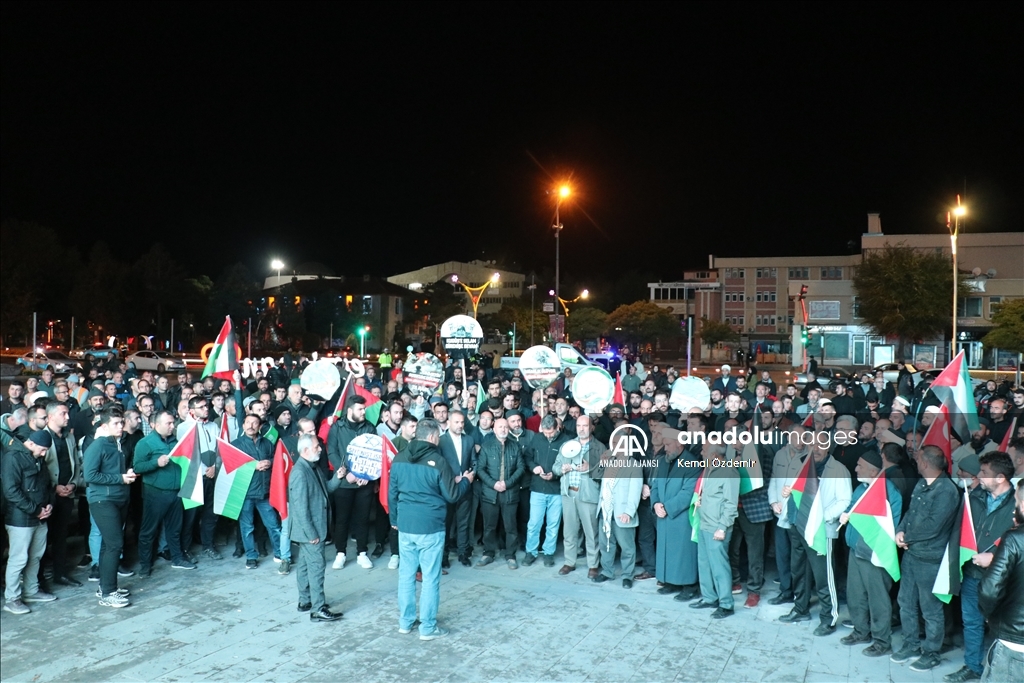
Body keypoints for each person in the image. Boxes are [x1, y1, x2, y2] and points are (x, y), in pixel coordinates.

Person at [389, 418, 472, 640]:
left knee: (406, 576)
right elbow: (452, 495)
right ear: (434, 437)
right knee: (430, 577)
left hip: (406, 525)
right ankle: (427, 627)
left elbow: (392, 493)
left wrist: (394, 520)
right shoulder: (438, 461)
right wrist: (466, 481)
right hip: (431, 526)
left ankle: (405, 622)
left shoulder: (398, 458)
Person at [945, 451, 1017, 682]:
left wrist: (995, 558)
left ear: (1000, 477)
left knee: (1000, 626)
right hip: (972, 572)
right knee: (972, 622)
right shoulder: (973, 497)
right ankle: (973, 666)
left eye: (984, 473)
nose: (979, 476)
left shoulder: (1019, 503)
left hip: (1004, 578)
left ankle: (999, 670)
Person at [891, 445, 962, 672]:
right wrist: (900, 531)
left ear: (925, 463)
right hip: (912, 553)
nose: (916, 461)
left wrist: (907, 536)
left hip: (930, 557)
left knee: (930, 609)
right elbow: (910, 512)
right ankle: (911, 644)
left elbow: (934, 526)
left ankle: (931, 652)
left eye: (918, 458)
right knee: (906, 602)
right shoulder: (922, 484)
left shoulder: (946, 491)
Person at [838, 449, 902, 657]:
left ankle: (882, 642)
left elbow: (889, 525)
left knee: (878, 600)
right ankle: (860, 632)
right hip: (856, 550)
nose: (855, 468)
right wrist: (845, 514)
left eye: (860, 466)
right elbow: (851, 507)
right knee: (855, 595)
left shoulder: (889, 492)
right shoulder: (861, 488)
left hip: (875, 555)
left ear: (874, 471)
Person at [83, 407, 136, 608]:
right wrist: (120, 478)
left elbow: (113, 470)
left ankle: (106, 586)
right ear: (104, 426)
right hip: (102, 500)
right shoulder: (98, 446)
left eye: (121, 422)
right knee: (114, 544)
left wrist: (126, 473)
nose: (120, 426)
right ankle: (108, 592)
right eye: (116, 423)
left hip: (119, 498)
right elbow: (90, 476)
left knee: (108, 545)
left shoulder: (118, 444)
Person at [289, 433, 345, 622]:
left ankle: (305, 601)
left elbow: (327, 489)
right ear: (305, 450)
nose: (320, 449)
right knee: (317, 566)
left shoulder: (311, 467)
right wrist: (312, 533)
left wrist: (338, 477)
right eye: (316, 447)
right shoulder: (300, 473)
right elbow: (300, 507)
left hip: (311, 529)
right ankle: (318, 608)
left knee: (305, 565)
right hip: (310, 530)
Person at [134, 410, 195, 575]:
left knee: (175, 528)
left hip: (176, 491)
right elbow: (138, 467)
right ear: (156, 425)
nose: (172, 426)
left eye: (172, 423)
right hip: (155, 493)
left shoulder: (177, 441)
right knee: (149, 530)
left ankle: (177, 558)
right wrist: (156, 463)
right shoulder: (145, 443)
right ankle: (145, 565)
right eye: (168, 423)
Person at [2, 430, 57, 614]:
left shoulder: (37, 457)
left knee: (36, 556)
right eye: (42, 450)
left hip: (40, 516)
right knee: (18, 559)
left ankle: (31, 590)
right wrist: (36, 509)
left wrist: (48, 504)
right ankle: (12, 598)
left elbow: (47, 485)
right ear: (31, 443)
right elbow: (11, 491)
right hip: (20, 519)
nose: (44, 455)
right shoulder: (13, 458)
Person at [977, 481, 1024, 683]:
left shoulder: (1015, 539)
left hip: (1014, 641)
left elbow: (989, 590)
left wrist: (990, 614)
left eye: (1017, 502)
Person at [689, 442, 740, 618]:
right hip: (704, 523)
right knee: (704, 563)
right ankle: (709, 597)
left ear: (714, 455)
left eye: (704, 450)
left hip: (717, 527)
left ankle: (726, 604)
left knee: (719, 567)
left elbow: (730, 504)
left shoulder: (729, 472)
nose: (701, 452)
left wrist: (722, 527)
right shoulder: (710, 469)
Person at [326, 395, 377, 570]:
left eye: (364, 409)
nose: (364, 412)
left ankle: (362, 553)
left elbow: (375, 453)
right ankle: (341, 553)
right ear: (350, 411)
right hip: (344, 482)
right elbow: (331, 451)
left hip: (365, 483)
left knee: (362, 519)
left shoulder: (370, 427)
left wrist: (368, 474)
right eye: (360, 409)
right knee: (342, 519)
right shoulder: (337, 427)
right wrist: (346, 472)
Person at [553, 415, 607, 577]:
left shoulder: (600, 447)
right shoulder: (567, 445)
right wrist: (561, 470)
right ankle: (569, 562)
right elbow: (555, 467)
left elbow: (606, 471)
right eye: (578, 425)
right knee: (569, 531)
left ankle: (593, 565)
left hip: (589, 494)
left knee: (591, 531)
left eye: (585, 426)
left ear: (591, 427)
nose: (581, 429)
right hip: (569, 494)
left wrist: (590, 468)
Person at [594, 431, 643, 588]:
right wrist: (601, 462)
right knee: (606, 543)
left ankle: (628, 575)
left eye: (617, 444)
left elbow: (635, 491)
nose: (613, 447)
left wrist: (629, 512)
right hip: (605, 510)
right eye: (612, 443)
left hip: (622, 513)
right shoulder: (609, 461)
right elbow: (595, 476)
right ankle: (607, 571)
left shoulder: (633, 464)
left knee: (627, 547)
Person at [475, 417, 524, 569]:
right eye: (500, 427)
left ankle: (510, 555)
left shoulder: (515, 446)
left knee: (510, 526)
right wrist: (494, 484)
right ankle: (488, 553)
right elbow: (480, 470)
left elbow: (521, 468)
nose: (503, 429)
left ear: (508, 429)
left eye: (505, 427)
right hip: (490, 493)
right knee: (489, 526)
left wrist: (507, 483)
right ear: (494, 429)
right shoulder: (487, 446)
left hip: (510, 493)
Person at [522, 414, 566, 568]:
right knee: (534, 523)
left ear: (557, 428)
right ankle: (531, 552)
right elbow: (527, 457)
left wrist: (554, 474)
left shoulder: (565, 441)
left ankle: (548, 553)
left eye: (551, 433)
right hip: (538, 488)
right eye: (545, 433)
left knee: (553, 524)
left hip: (556, 489)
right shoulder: (537, 438)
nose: (548, 436)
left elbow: (567, 464)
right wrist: (534, 467)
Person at [439, 410, 476, 567]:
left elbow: (474, 461)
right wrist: (451, 478)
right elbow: (439, 465)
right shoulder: (441, 441)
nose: (460, 425)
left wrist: (472, 473)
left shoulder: (469, 440)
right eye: (456, 422)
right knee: (446, 524)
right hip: (448, 488)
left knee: (463, 523)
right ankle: (444, 556)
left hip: (465, 487)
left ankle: (463, 554)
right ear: (448, 422)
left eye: (462, 422)